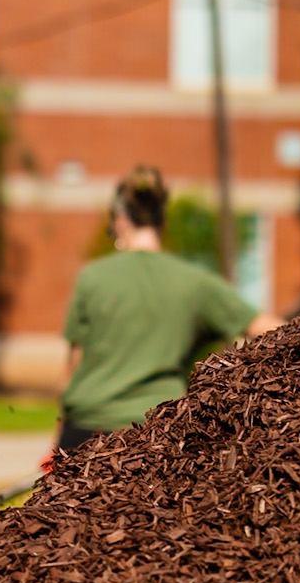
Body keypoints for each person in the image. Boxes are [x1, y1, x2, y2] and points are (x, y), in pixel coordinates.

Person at [58, 167, 284, 451]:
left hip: (85, 434)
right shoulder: (195, 283)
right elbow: (268, 328)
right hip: (157, 437)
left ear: (120, 219)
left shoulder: (92, 277)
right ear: (161, 221)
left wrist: (57, 441)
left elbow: (72, 370)